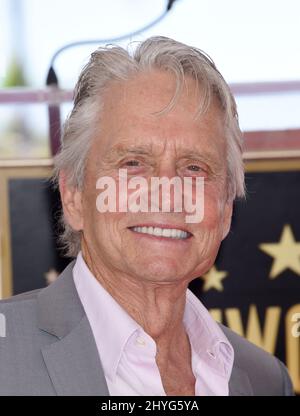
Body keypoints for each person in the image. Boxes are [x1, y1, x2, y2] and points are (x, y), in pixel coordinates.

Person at [0, 36, 294, 396]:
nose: (168, 194)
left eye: (194, 168)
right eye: (133, 164)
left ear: (226, 210)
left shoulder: (264, 380)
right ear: (73, 195)